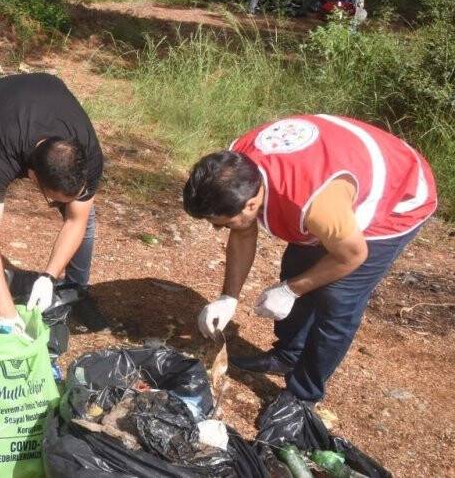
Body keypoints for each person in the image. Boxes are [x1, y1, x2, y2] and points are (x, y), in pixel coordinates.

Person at [183, 115, 436, 402]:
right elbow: (243, 232)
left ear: (251, 203)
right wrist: (229, 297)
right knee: (297, 266)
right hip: (336, 173)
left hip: (399, 196)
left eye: (223, 223)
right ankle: (288, 355)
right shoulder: (236, 164)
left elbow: (352, 255)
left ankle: (302, 396)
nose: (217, 230)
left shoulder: (315, 205)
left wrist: (291, 290)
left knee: (337, 299)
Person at [0, 73, 107, 333]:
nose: (58, 205)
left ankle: (76, 291)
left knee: (85, 215)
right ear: (32, 175)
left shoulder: (89, 156)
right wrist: (7, 314)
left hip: (49, 94)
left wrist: (49, 277)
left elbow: (76, 220)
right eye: (54, 201)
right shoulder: (1, 150)